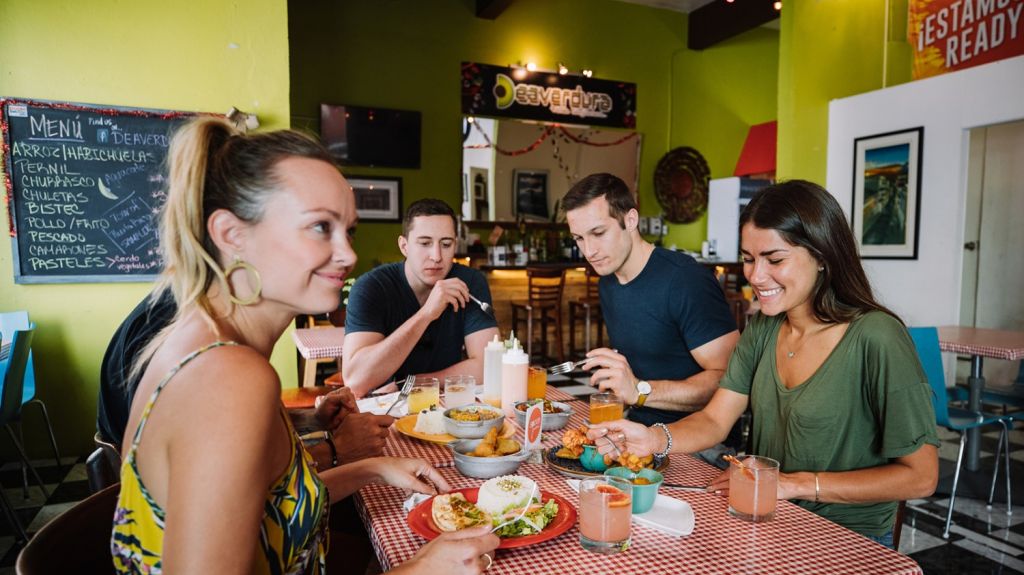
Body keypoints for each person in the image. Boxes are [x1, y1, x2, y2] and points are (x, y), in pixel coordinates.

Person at [111, 117, 498, 574]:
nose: (348, 253)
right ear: (232, 235)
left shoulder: (201, 341)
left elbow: (273, 501)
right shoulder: (229, 378)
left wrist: (371, 468)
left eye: (348, 230)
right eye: (320, 227)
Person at [589, 180, 940, 546]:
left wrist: (793, 483)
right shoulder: (764, 328)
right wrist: (651, 438)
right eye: (748, 258)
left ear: (822, 256)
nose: (755, 276)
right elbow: (714, 419)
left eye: (774, 259)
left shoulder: (878, 337)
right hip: (767, 519)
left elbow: (920, 476)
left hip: (848, 539)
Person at [97, 290, 392, 469]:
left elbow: (231, 435)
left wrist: (311, 420)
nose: (346, 255)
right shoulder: (200, 348)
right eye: (317, 228)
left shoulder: (204, 313)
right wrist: (336, 451)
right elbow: (230, 493)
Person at [563, 173, 742, 465]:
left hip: (699, 446)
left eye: (598, 233)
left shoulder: (685, 280)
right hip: (637, 432)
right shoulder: (608, 280)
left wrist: (641, 391)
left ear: (630, 220)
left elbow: (730, 380)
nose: (589, 251)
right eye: (579, 238)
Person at [342, 199, 499, 398]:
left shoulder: (470, 282)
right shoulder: (371, 287)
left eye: (446, 244)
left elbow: (488, 366)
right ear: (404, 246)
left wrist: (412, 383)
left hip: (446, 405)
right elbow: (356, 381)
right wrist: (426, 314)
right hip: (382, 410)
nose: (436, 256)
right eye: (425, 243)